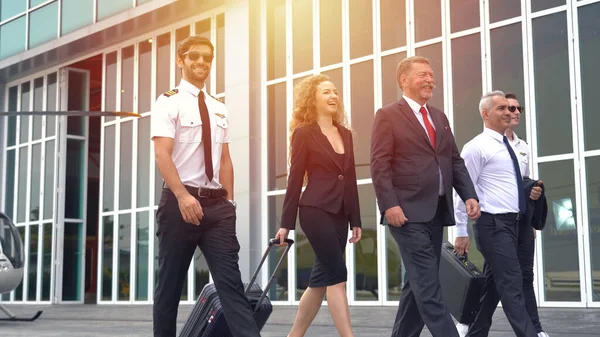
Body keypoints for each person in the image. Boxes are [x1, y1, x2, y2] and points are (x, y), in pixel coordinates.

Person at [151, 35, 260, 337]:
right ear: (180, 60)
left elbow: (224, 158)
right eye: (194, 56)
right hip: (179, 203)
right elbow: (162, 153)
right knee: (169, 288)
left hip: (216, 208)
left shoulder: (218, 107)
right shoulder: (168, 101)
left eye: (207, 58)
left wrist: (230, 204)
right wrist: (183, 196)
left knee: (231, 287)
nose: (202, 62)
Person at [370, 56, 480, 337]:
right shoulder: (388, 115)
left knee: (417, 284)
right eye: (422, 75)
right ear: (404, 81)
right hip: (405, 214)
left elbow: (454, 161)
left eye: (431, 75)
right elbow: (379, 164)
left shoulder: (439, 117)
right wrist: (389, 204)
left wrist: (468, 194)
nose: (430, 79)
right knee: (430, 285)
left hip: (434, 213)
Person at [274, 74, 362, 337]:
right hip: (314, 210)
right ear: (312, 99)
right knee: (337, 274)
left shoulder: (345, 134)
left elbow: (351, 179)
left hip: (340, 214)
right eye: (326, 92)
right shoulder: (303, 134)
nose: (333, 96)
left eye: (335, 91)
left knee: (320, 282)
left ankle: (293, 335)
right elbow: (294, 179)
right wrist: (285, 224)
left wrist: (355, 219)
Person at [455, 93, 549, 337]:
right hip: (492, 224)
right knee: (512, 282)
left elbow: (516, 185)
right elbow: (462, 191)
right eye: (502, 108)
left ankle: (475, 332)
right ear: (486, 114)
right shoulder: (476, 147)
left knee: (495, 283)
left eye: (510, 108)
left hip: (516, 224)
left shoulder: (514, 148)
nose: (509, 112)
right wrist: (461, 231)